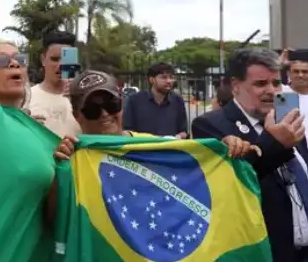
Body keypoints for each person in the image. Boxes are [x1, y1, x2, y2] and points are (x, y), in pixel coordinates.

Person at [192, 48, 307, 262]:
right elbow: (237, 181)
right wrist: (275, 143)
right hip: (264, 252)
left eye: (276, 83)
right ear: (236, 86)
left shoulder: (287, 121)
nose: (272, 91)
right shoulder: (211, 126)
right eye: (260, 84)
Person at [54, 70, 256, 161]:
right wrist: (59, 169)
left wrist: (224, 147)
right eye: (92, 108)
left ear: (121, 104)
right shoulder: (70, 157)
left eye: (111, 104)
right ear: (76, 115)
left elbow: (195, 157)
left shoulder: (152, 147)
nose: (105, 113)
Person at [26, 31, 81, 137]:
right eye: (55, 59)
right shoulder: (27, 98)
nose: (60, 65)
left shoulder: (85, 99)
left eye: (66, 59)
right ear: (43, 59)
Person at [122, 62, 188, 138]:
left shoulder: (177, 100)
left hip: (170, 148)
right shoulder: (135, 100)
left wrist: (178, 137)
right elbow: (126, 131)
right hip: (142, 148)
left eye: (171, 77)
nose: (169, 81)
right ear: (151, 80)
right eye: (164, 77)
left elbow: (184, 132)